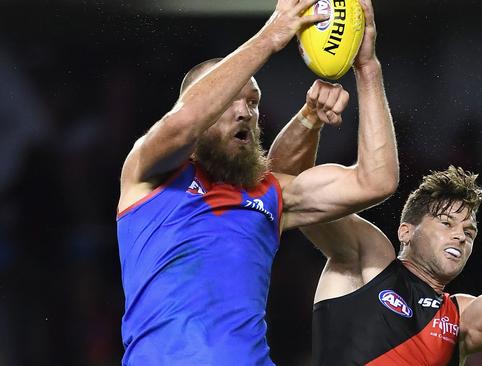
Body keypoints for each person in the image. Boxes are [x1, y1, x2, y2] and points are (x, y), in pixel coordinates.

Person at [116, 0, 398, 364]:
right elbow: (183, 122)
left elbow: (377, 181)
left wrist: (367, 68)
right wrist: (269, 37)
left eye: (253, 101)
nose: (243, 111)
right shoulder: (149, 174)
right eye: (228, 99)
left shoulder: (269, 194)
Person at [269, 124, 482, 365]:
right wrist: (310, 120)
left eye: (469, 232)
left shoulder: (457, 314)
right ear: (406, 232)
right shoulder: (368, 257)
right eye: (447, 223)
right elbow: (288, 186)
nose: (461, 236)